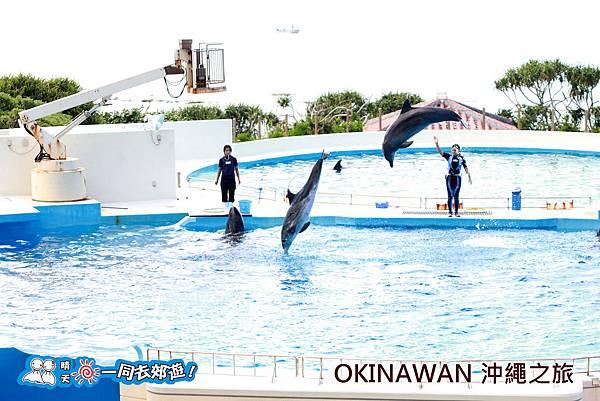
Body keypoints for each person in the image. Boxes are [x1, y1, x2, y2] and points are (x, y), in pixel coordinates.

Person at [434, 136, 472, 217]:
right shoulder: (448, 156)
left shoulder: (461, 158)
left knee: (456, 196)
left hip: (458, 178)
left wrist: (469, 177)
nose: (454, 151)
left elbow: (466, 168)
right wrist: (437, 143)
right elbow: (440, 152)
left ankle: (457, 212)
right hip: (449, 178)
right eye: (453, 149)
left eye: (455, 149)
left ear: (458, 150)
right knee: (450, 195)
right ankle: (450, 212)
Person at [215, 145, 241, 211]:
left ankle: (231, 206)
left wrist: (238, 178)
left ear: (231, 151)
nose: (228, 152)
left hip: (231, 179)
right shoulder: (221, 160)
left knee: (232, 192)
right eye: (226, 150)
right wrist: (217, 179)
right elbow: (219, 170)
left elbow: (236, 169)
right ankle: (226, 207)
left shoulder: (234, 159)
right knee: (224, 192)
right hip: (224, 179)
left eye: (229, 150)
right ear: (224, 152)